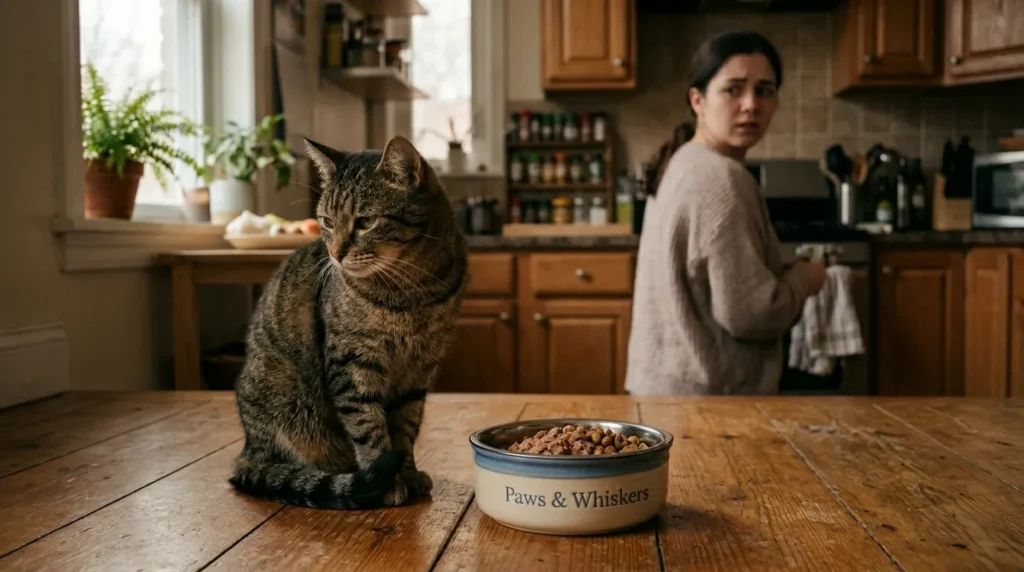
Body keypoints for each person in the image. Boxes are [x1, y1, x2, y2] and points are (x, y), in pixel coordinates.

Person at [625, 30, 827, 396]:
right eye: (733, 89)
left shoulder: (682, 160)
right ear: (698, 100)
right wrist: (806, 280)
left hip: (663, 389)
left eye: (765, 90)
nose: (751, 104)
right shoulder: (722, 178)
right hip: (710, 405)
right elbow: (750, 314)